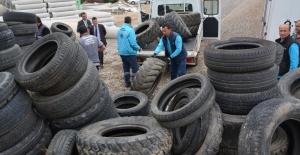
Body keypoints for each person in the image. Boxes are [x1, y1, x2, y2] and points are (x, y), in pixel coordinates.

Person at [117, 16, 141, 87]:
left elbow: (118, 40)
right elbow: (133, 43)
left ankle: (127, 82)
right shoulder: (131, 30)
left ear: (124, 21)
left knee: (126, 68)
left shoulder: (120, 29)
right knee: (135, 67)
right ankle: (134, 83)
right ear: (130, 22)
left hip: (122, 52)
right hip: (129, 52)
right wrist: (139, 48)